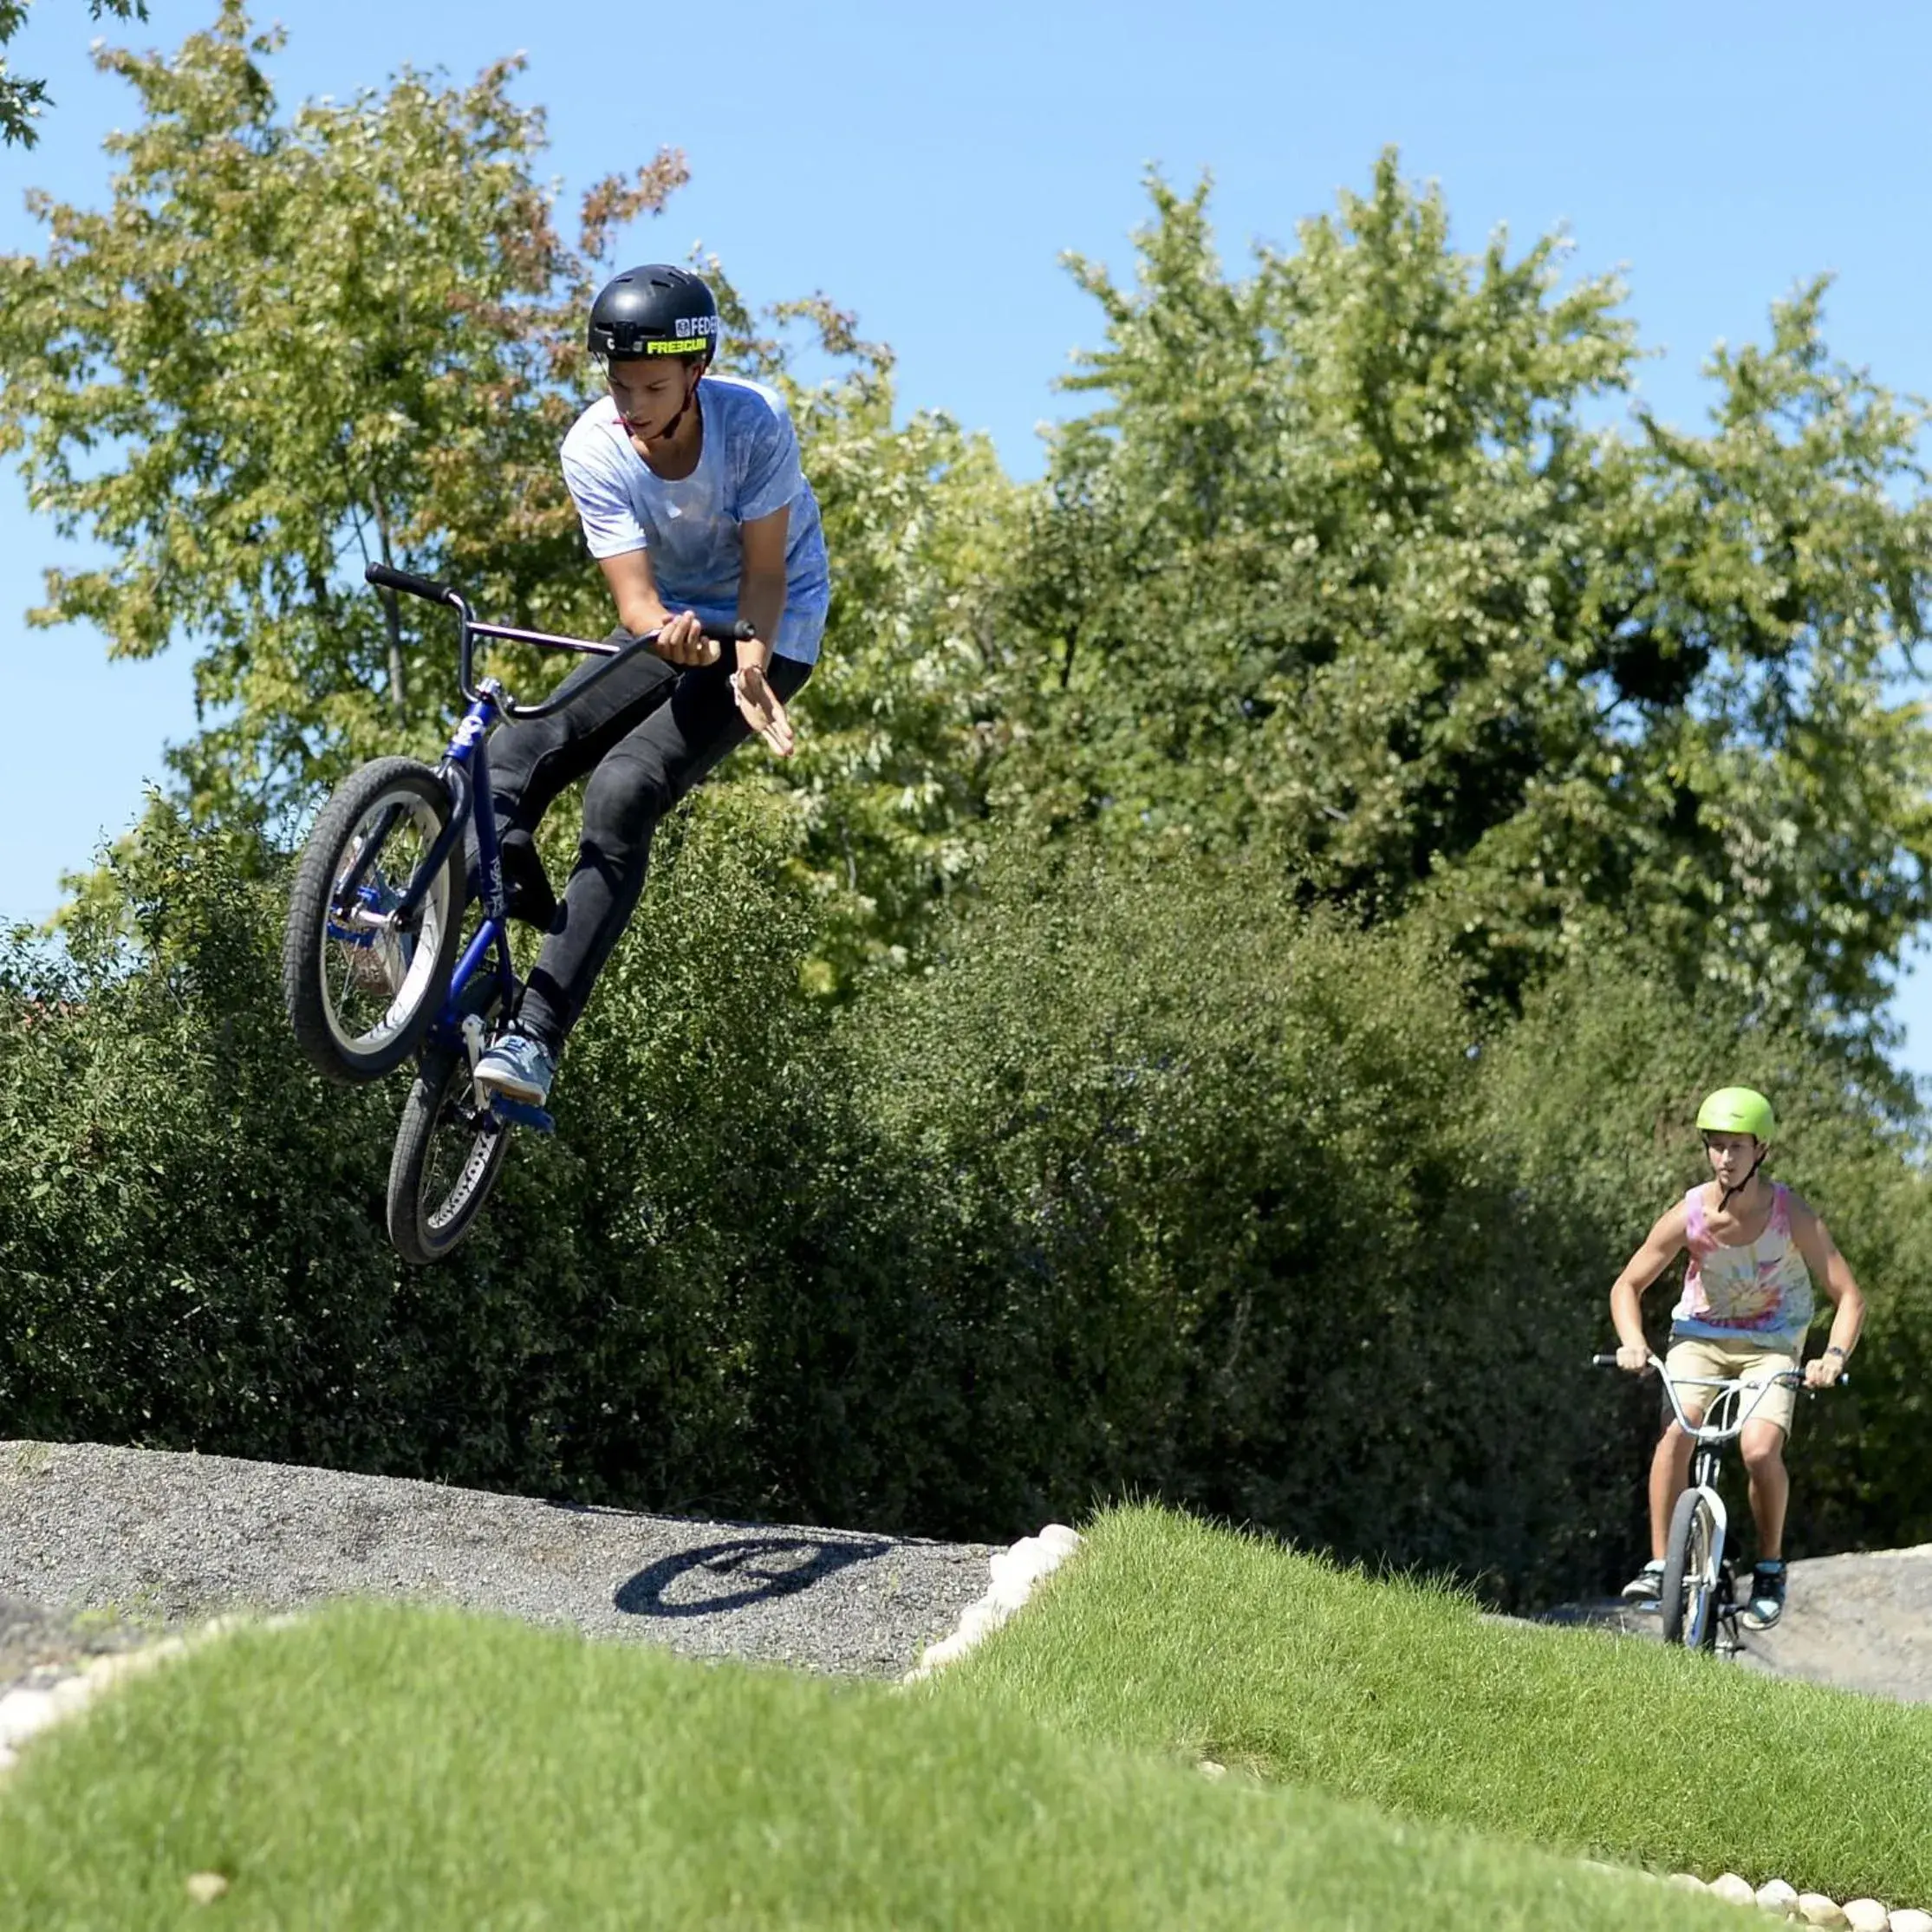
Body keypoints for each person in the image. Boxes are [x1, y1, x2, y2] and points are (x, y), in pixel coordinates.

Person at [470, 264, 829, 1107]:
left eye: (652, 386)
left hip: (768, 629)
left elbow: (767, 573)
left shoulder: (754, 424)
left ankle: (534, 1039)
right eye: (617, 383)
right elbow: (635, 603)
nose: (629, 404)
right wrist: (667, 638)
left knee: (624, 790)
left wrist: (746, 663)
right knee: (514, 751)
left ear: (696, 373)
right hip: (668, 623)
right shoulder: (592, 448)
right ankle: (463, 917)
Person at [1606, 1086, 1864, 1630]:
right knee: (1678, 1430)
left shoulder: (1789, 1213)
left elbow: (1849, 1296)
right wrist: (1633, 1341)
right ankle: (1660, 1564)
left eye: (1736, 1147)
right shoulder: (1691, 1212)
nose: (1724, 1158)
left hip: (1772, 1343)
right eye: (1715, 1146)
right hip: (1700, 1335)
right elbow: (1627, 1284)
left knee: (1758, 1449)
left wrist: (1833, 1356)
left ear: (1761, 1150)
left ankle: (1769, 1567)